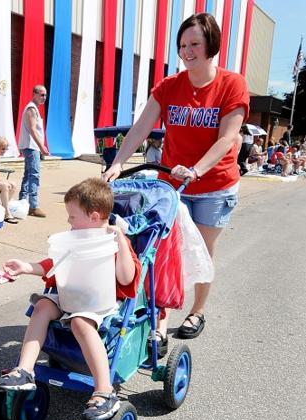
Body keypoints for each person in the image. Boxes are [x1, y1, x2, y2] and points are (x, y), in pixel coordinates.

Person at [103, 13, 249, 343]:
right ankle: (158, 320)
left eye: (194, 44)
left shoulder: (231, 84)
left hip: (215, 184)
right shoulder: (170, 86)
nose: (187, 51)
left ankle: (197, 310)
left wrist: (197, 169)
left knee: (203, 249)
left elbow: (227, 139)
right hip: (171, 182)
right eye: (182, 45)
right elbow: (141, 127)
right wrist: (118, 161)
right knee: (163, 249)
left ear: (211, 45)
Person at [0, 178, 141, 420]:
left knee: (80, 323)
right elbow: (55, 264)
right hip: (69, 292)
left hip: (98, 300)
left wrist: (121, 244)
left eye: (72, 217)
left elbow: (126, 278)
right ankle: (25, 370)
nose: (69, 222)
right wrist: (26, 267)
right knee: (41, 306)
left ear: (94, 217)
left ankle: (104, 390)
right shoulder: (74, 236)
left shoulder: (114, 240)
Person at [18, 85, 50, 218]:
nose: (44, 98)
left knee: (28, 175)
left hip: (32, 146)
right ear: (34, 94)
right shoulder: (31, 108)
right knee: (34, 175)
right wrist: (41, 146)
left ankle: (22, 202)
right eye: (42, 95)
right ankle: (33, 206)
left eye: (45, 95)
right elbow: (32, 129)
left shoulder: (34, 108)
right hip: (31, 147)